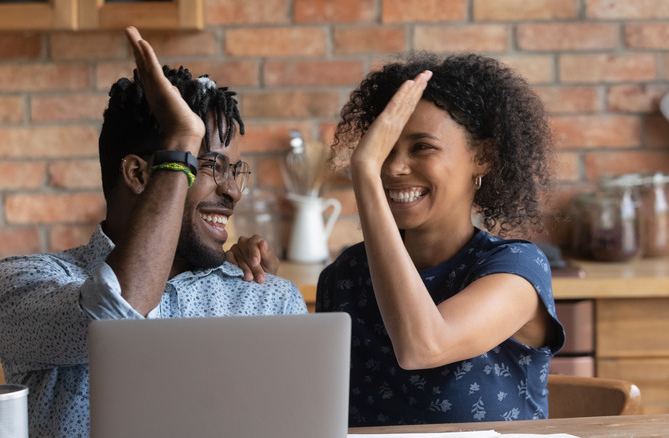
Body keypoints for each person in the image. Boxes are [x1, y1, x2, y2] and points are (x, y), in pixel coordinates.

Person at [0, 27, 306, 438]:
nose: (234, 191)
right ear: (139, 174)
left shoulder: (267, 299)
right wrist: (181, 142)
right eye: (208, 166)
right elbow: (119, 309)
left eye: (234, 170)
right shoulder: (22, 285)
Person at [232, 52, 565, 426]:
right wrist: (264, 290)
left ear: (483, 156)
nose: (393, 168)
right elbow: (302, 404)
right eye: (384, 151)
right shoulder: (346, 275)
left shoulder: (516, 271)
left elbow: (423, 346)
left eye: (422, 147)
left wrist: (364, 171)